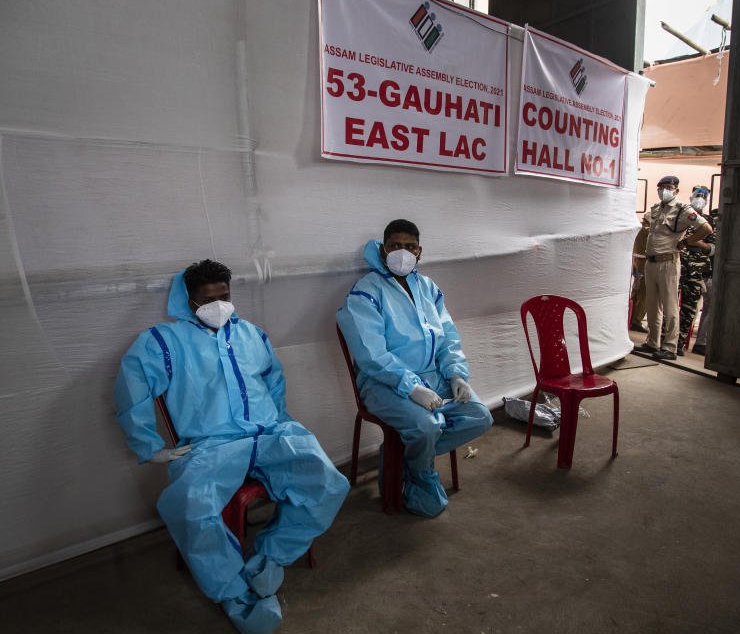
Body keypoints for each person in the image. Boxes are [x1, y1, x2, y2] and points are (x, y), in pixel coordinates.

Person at [114, 260, 349, 634]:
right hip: (211, 445)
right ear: (190, 302)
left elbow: (274, 380)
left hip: (269, 434)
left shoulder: (253, 335)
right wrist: (151, 446)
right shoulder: (164, 342)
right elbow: (132, 389)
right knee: (192, 507)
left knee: (328, 482)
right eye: (208, 299)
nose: (218, 305)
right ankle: (233, 592)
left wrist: (282, 420)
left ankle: (268, 559)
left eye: (224, 296)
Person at [336, 219, 493, 517]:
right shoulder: (366, 291)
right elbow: (371, 355)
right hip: (382, 383)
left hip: (433, 376)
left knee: (479, 416)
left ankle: (405, 459)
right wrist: (411, 387)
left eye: (410, 247)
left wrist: (456, 373)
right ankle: (418, 477)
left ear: (420, 252)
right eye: (395, 246)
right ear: (383, 251)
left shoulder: (428, 287)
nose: (403, 252)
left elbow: (447, 336)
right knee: (425, 426)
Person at [633, 176, 713, 360]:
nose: (664, 191)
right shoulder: (655, 209)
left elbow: (706, 229)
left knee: (670, 306)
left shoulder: (683, 210)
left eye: (668, 187)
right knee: (653, 305)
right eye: (661, 187)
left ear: (676, 190)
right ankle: (653, 342)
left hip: (668, 262)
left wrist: (687, 241)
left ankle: (669, 347)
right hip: (651, 262)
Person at [677, 186, 718, 355]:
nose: (699, 198)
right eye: (697, 195)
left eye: (703, 196)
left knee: (689, 308)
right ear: (691, 196)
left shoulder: (709, 221)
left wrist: (694, 241)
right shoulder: (681, 216)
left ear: (707, 200)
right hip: (677, 264)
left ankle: (678, 343)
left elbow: (712, 248)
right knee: (669, 305)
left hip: (697, 271)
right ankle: (665, 340)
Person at [629, 217, 650, 333]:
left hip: (637, 262)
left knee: (636, 292)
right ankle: (636, 321)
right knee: (644, 295)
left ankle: (631, 318)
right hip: (645, 264)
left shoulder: (638, 230)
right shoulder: (647, 232)